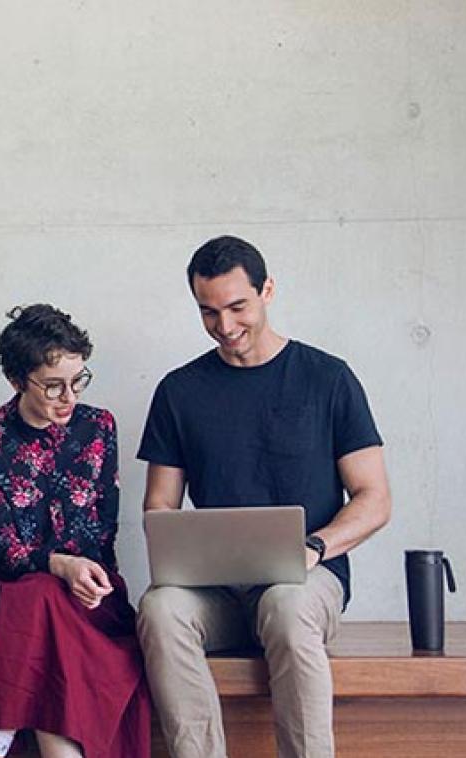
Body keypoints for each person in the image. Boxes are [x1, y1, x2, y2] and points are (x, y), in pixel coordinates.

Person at [135, 236, 392, 758]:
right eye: (208, 312)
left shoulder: (329, 378)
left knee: (288, 600)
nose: (225, 327)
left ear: (267, 290)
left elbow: (374, 499)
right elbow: (159, 505)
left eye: (237, 307)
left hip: (307, 582)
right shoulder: (178, 391)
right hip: (218, 594)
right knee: (159, 609)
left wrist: (314, 548)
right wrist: (180, 548)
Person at [0, 304, 151, 758]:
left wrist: (83, 575)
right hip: (0, 594)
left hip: (83, 595)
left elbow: (101, 529)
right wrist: (58, 564)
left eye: (78, 381)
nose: (68, 397)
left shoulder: (99, 428)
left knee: (44, 605)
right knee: (34, 595)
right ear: (16, 380)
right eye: (53, 385)